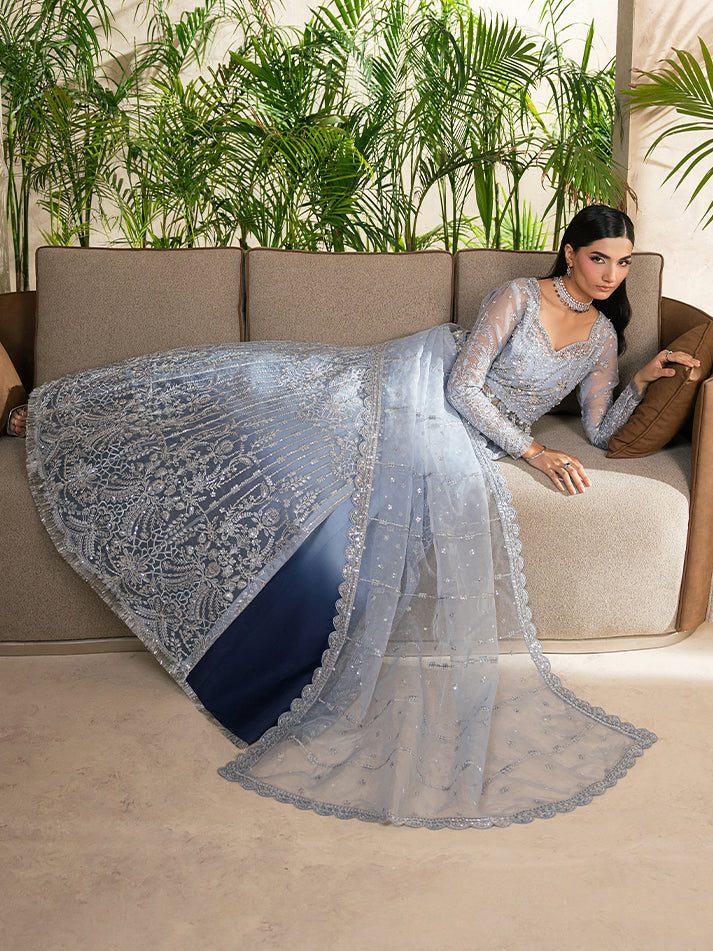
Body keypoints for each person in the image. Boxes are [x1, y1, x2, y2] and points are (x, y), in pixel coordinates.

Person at [25, 205, 697, 829]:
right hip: (422, 384)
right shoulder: (519, 296)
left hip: (470, 433)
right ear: (570, 253)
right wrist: (534, 451)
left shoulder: (602, 337)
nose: (611, 275)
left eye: (622, 263)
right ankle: (58, 415)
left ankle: (271, 663)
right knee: (260, 390)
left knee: (360, 495)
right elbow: (463, 386)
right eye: (599, 258)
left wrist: (643, 382)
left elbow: (601, 429)